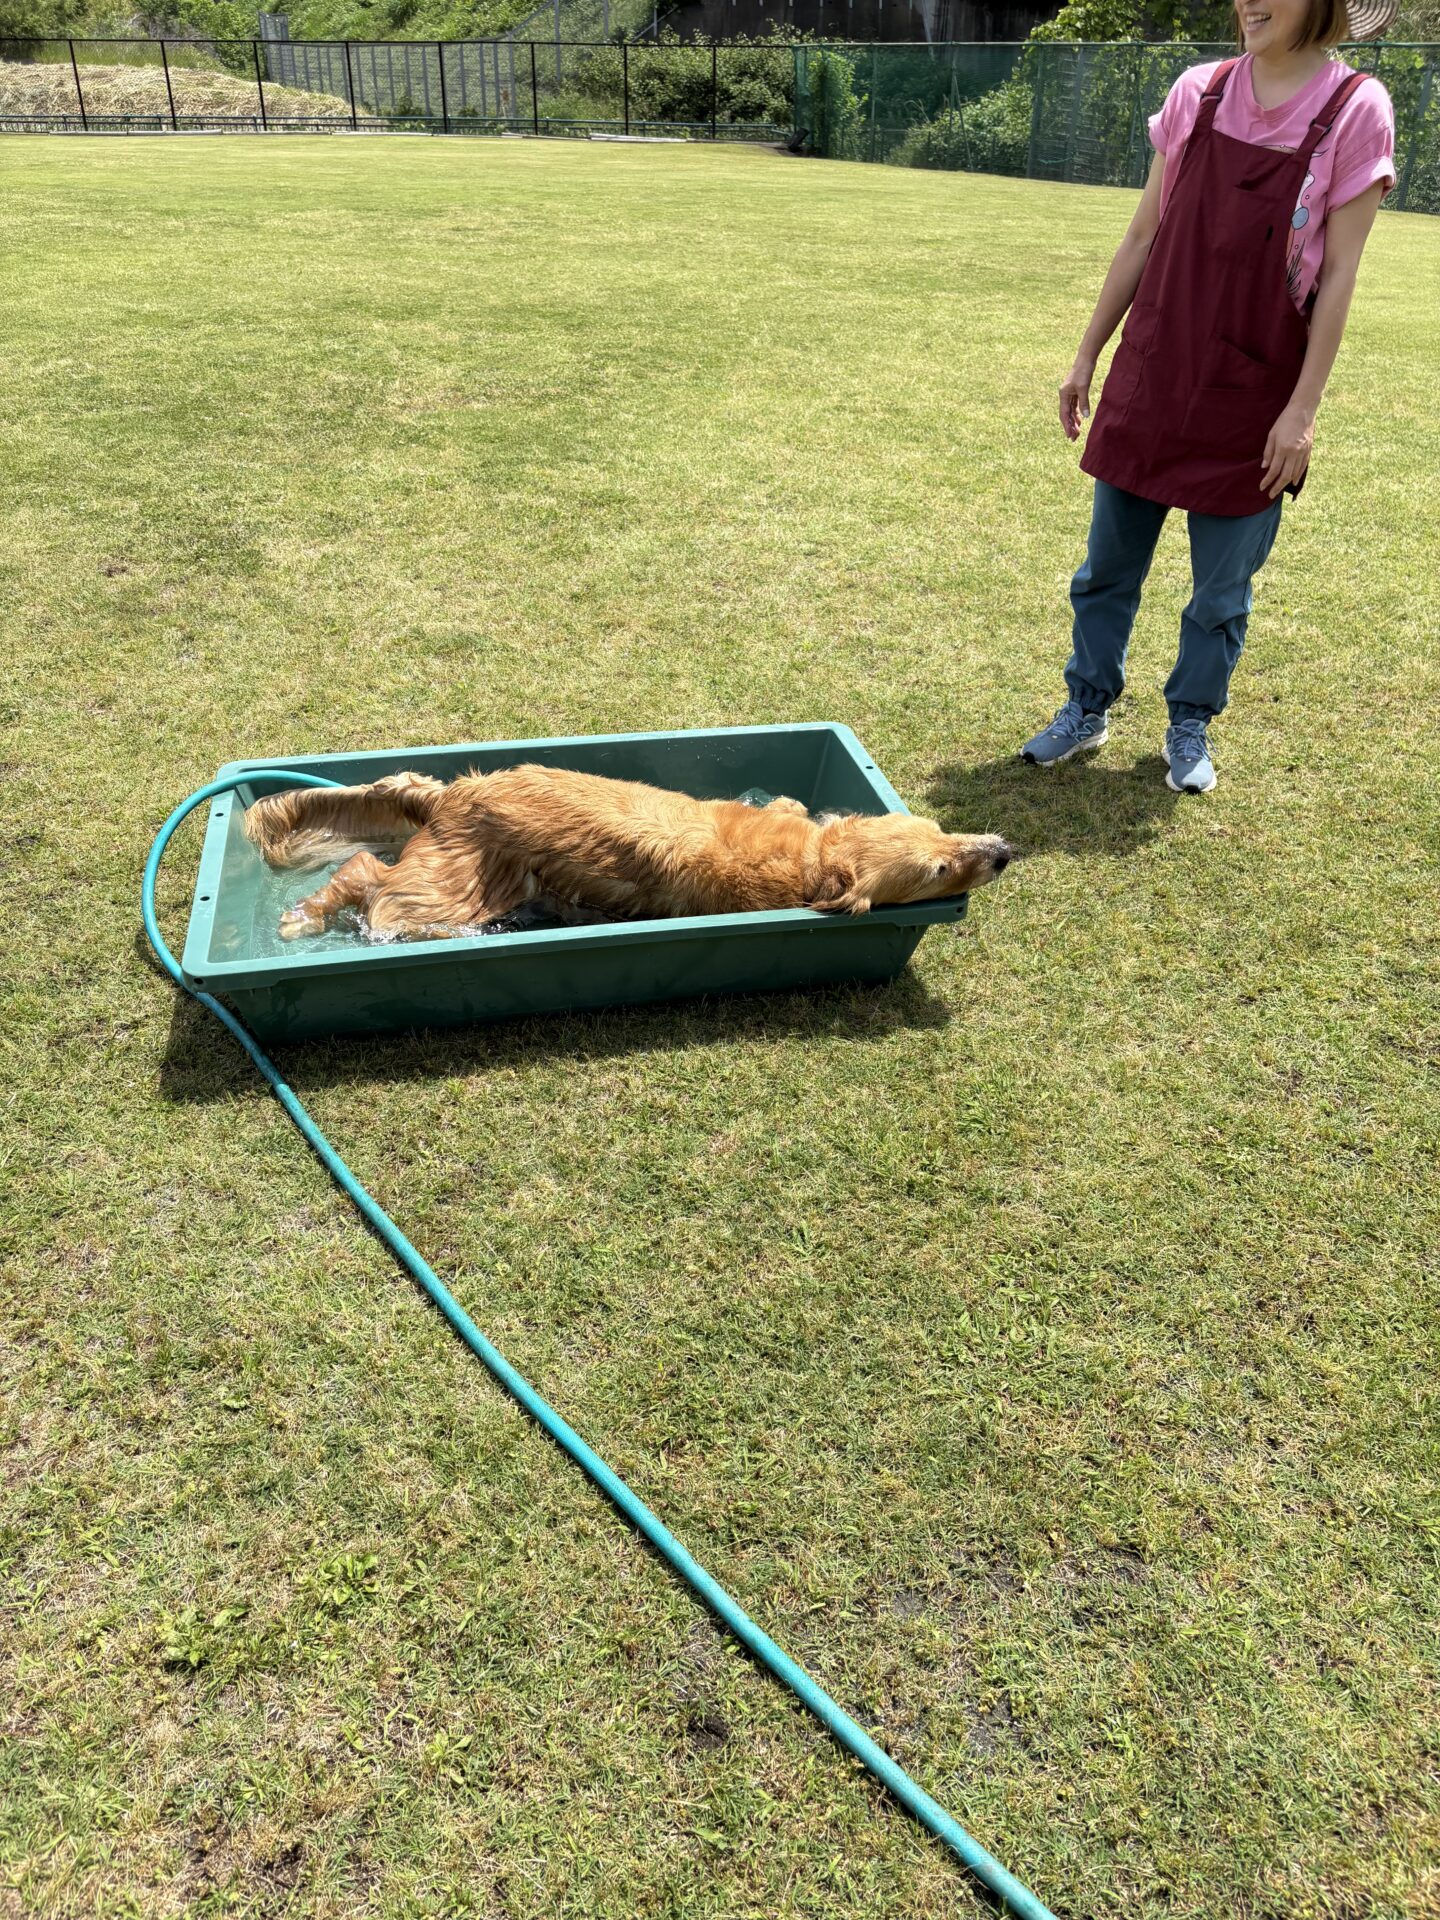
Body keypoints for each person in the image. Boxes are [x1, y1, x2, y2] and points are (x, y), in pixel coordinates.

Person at [1022, 0, 1397, 792]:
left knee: (1220, 594)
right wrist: (1087, 353)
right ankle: (1086, 706)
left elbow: (1339, 276)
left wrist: (1301, 412)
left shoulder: (1358, 107)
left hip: (1255, 397)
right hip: (1155, 371)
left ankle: (1189, 724)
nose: (1248, 3)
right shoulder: (1198, 90)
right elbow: (1142, 236)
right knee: (1105, 572)